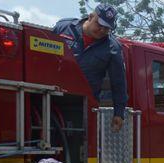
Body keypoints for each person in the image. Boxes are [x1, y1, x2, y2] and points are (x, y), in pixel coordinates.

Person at [54, 4, 127, 132]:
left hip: (82, 106)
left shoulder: (113, 47)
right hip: (52, 97)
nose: (103, 31)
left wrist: (119, 113)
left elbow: (119, 82)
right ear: (90, 17)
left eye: (107, 28)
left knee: (75, 147)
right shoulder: (64, 27)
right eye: (100, 25)